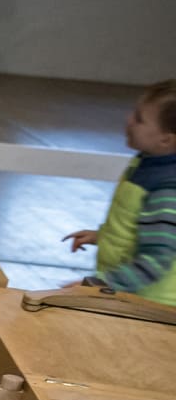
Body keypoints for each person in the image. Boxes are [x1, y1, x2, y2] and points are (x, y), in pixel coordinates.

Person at [63, 79, 176, 304]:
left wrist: (102, 284)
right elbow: (134, 225)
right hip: (129, 294)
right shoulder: (144, 163)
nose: (129, 120)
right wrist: (102, 236)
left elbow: (156, 259)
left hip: (150, 304)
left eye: (139, 119)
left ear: (166, 140)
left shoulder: (167, 189)